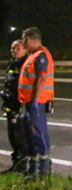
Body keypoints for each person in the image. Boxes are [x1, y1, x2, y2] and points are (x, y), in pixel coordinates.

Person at [17, 28, 53, 178]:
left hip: (37, 104)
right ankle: (32, 170)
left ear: (30, 39)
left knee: (38, 136)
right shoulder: (33, 56)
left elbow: (41, 79)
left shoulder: (41, 56)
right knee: (30, 138)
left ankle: (44, 170)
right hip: (28, 103)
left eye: (24, 40)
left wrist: (35, 102)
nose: (24, 44)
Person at [1, 40, 30, 173]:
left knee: (19, 136)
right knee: (12, 135)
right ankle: (17, 164)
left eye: (17, 48)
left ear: (25, 49)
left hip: (20, 105)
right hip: (10, 103)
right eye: (12, 48)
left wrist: (22, 105)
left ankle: (22, 166)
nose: (14, 50)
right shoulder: (13, 63)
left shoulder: (26, 63)